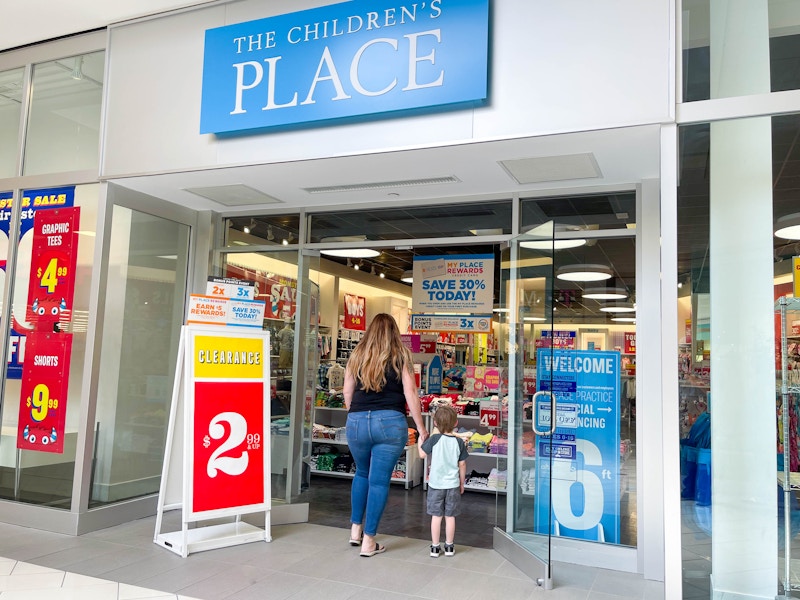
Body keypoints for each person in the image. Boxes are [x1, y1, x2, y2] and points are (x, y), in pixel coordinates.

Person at [343, 313, 428, 557]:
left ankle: (355, 530)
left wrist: (357, 415)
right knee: (378, 481)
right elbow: (410, 393)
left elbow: (347, 392)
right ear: (394, 332)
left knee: (361, 473)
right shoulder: (400, 355)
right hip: (390, 422)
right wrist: (421, 429)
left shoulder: (357, 354)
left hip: (357, 421)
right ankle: (369, 541)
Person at [418, 404, 468, 557]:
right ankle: (450, 546)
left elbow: (421, 455)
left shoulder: (434, 439)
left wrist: (421, 440)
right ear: (456, 423)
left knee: (436, 516)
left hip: (435, 484)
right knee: (450, 516)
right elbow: (462, 464)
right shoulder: (459, 442)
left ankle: (434, 547)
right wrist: (461, 482)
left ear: (435, 423)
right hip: (452, 484)